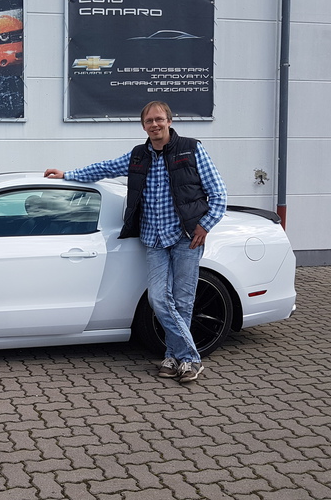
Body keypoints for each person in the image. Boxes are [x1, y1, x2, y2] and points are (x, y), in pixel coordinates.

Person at [44, 101, 227, 383]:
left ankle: (175, 357)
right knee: (158, 298)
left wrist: (205, 225)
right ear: (143, 126)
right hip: (153, 237)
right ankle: (189, 357)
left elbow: (219, 193)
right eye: (149, 121)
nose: (155, 125)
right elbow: (105, 168)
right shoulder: (138, 156)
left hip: (186, 237)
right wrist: (67, 175)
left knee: (183, 301)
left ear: (169, 121)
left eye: (159, 119)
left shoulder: (191, 149)